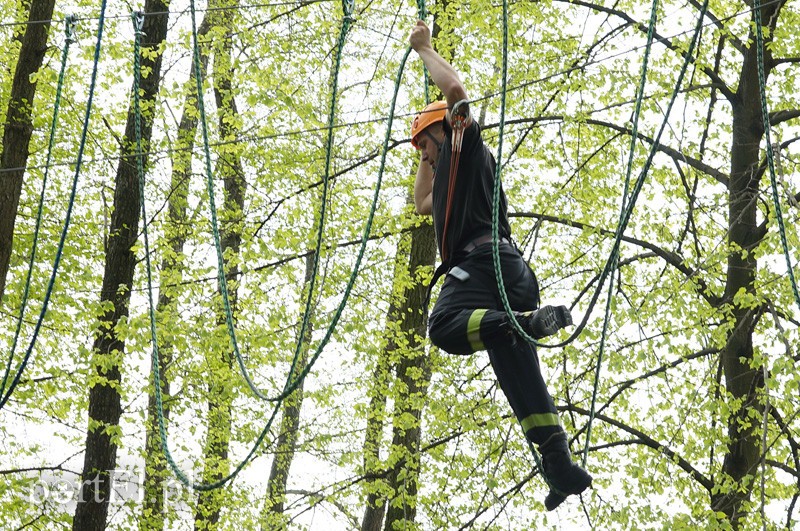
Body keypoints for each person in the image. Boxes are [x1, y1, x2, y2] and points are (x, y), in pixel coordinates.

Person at [409, 19, 592, 511]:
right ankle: (558, 463)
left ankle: (523, 323)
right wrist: (425, 150)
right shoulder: (445, 173)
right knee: (516, 372)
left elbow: (456, 90)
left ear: (443, 130)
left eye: (423, 145)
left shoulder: (464, 147)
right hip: (508, 273)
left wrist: (424, 49)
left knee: (444, 326)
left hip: (482, 266)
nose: (422, 155)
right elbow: (420, 201)